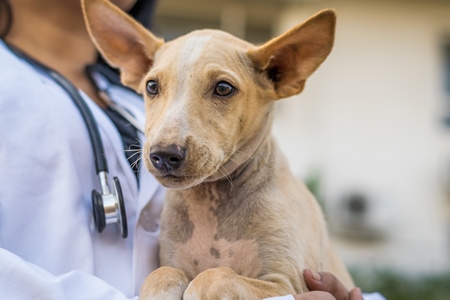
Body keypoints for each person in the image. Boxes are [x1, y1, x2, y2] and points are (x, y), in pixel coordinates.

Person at [0, 0, 384, 299]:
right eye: (154, 87)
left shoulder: (128, 99)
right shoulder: (11, 81)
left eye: (221, 89)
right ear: (135, 63)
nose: (166, 145)